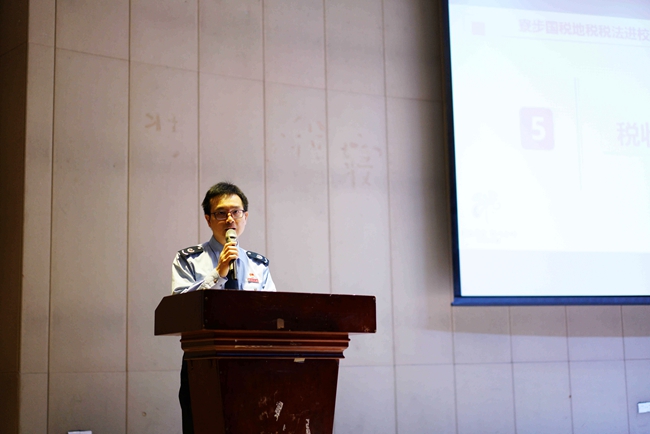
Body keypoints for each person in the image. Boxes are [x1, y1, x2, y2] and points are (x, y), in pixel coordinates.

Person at [171, 182, 275, 433]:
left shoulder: (258, 265)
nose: (230, 219)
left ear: (245, 217)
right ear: (208, 219)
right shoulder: (188, 259)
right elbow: (178, 311)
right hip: (203, 362)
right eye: (221, 213)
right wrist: (218, 274)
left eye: (236, 212)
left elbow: (273, 313)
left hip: (252, 362)